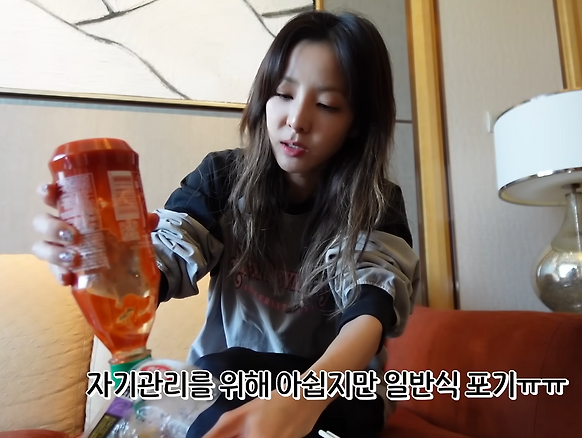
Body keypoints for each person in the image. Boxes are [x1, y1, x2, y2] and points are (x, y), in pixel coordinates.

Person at [32, 10, 420, 438]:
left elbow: (370, 309)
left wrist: (303, 398)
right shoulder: (221, 179)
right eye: (284, 94)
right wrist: (105, 259)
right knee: (214, 378)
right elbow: (159, 265)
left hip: (337, 389)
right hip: (227, 380)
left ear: (357, 124)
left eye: (327, 104)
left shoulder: (377, 203)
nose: (296, 120)